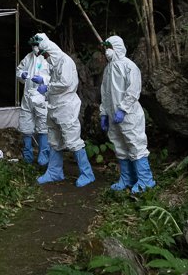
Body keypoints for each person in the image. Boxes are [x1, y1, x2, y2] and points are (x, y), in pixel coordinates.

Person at [31, 33, 95, 187]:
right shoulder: (54, 62)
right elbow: (56, 82)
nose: (44, 58)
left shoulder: (65, 61)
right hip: (54, 106)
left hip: (66, 107)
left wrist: (47, 87)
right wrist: (45, 83)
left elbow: (65, 83)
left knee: (73, 141)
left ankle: (87, 173)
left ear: (49, 50)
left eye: (44, 54)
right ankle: (54, 172)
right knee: (54, 140)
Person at [99, 36, 154, 194]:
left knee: (135, 144)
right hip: (112, 115)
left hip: (129, 115)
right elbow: (105, 93)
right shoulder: (108, 69)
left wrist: (123, 109)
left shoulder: (129, 66)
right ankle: (127, 178)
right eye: (106, 48)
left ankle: (145, 181)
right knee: (120, 146)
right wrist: (104, 113)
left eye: (110, 47)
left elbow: (133, 90)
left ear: (117, 47)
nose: (107, 51)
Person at [16, 44, 50, 166]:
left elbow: (56, 77)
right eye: (33, 45)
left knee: (43, 126)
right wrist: (22, 75)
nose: (35, 47)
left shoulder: (48, 57)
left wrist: (43, 80)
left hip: (42, 97)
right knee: (26, 125)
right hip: (28, 96)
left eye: (37, 45)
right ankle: (28, 157)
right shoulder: (28, 57)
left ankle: (44, 157)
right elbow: (19, 70)